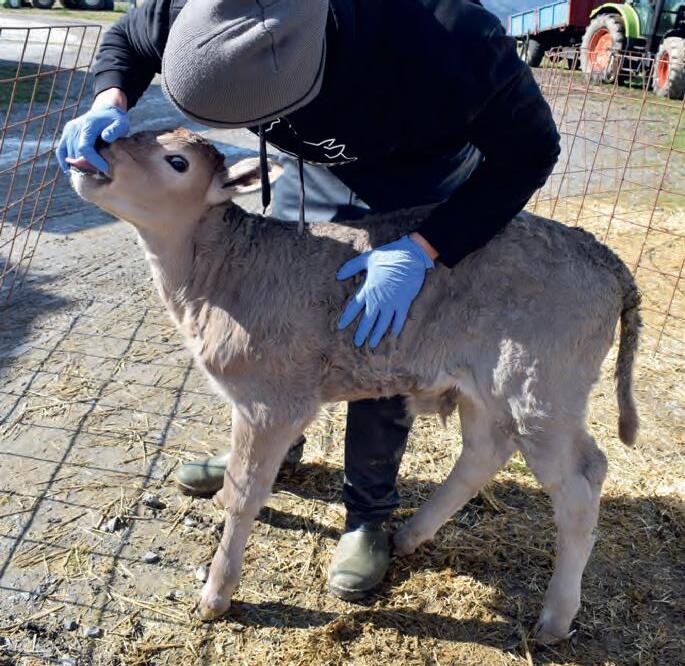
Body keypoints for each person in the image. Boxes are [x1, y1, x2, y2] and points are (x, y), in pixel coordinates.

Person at [57, 0, 560, 601]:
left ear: (306, 67)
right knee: (279, 325)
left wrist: (427, 246)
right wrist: (108, 99)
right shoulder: (214, 10)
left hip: (417, 180)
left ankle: (367, 511)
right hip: (312, 166)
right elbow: (129, 39)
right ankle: (273, 446)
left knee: (379, 340)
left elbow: (532, 150)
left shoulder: (448, 39)